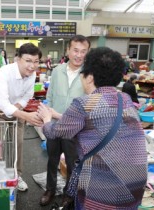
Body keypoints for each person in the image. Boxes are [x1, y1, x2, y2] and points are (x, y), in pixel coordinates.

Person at [38, 47, 147, 209]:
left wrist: (47, 119)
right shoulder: (124, 98)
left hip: (103, 188)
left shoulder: (84, 103)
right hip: (135, 184)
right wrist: (60, 116)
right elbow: (95, 121)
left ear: (89, 78)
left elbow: (54, 132)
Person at [40, 35, 90, 207]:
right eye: (75, 50)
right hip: (54, 123)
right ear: (68, 50)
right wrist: (49, 116)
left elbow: (89, 103)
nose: (79, 55)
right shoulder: (57, 70)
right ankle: (50, 189)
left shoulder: (89, 74)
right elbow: (50, 95)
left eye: (83, 52)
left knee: (72, 162)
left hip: (75, 128)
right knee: (52, 159)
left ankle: (70, 193)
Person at [0, 43, 43, 191]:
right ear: (18, 59)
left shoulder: (32, 76)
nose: (32, 66)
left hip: (17, 110)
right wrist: (25, 115)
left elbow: (27, 96)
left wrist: (18, 108)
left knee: (18, 144)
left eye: (36, 61)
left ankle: (16, 176)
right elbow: (4, 105)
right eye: (28, 60)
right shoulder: (4, 72)